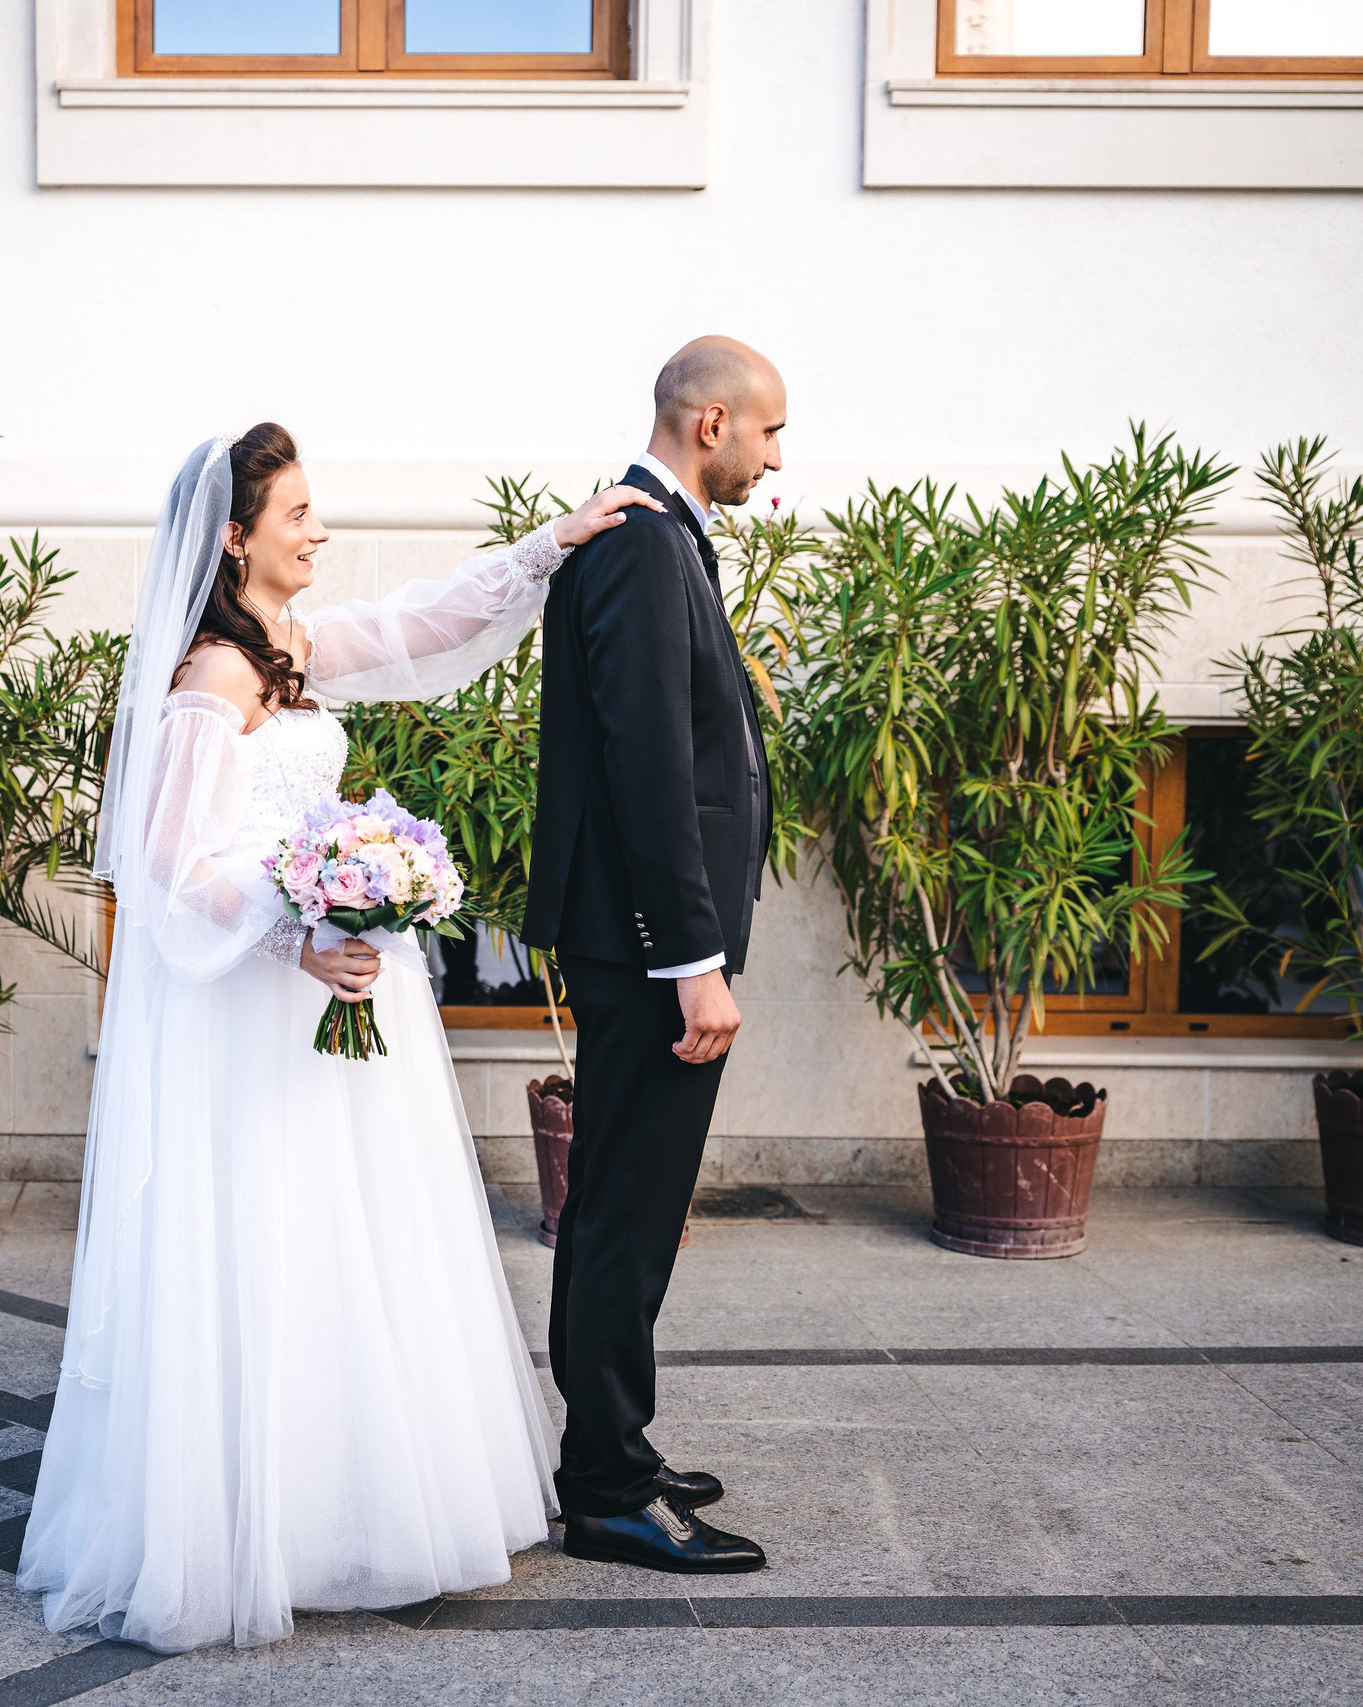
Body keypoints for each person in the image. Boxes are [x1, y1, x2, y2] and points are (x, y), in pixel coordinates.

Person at [18, 423, 662, 1652]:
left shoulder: (295, 646)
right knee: (275, 1232)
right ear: (234, 537)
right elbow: (168, 867)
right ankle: (260, 1522)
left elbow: (424, 622)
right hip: (261, 1005)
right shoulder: (211, 680)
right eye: (298, 513)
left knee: (353, 1234)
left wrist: (550, 545)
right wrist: (295, 934)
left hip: (342, 988)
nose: (319, 531)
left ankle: (349, 1497)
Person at [523, 336, 786, 1573]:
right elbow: (646, 766)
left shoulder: (658, 533)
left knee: (621, 1204)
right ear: (712, 422)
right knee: (629, 1212)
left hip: (647, 947)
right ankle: (608, 1488)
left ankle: (609, 1443)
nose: (776, 459)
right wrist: (689, 957)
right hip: (647, 952)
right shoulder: (637, 542)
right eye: (771, 433)